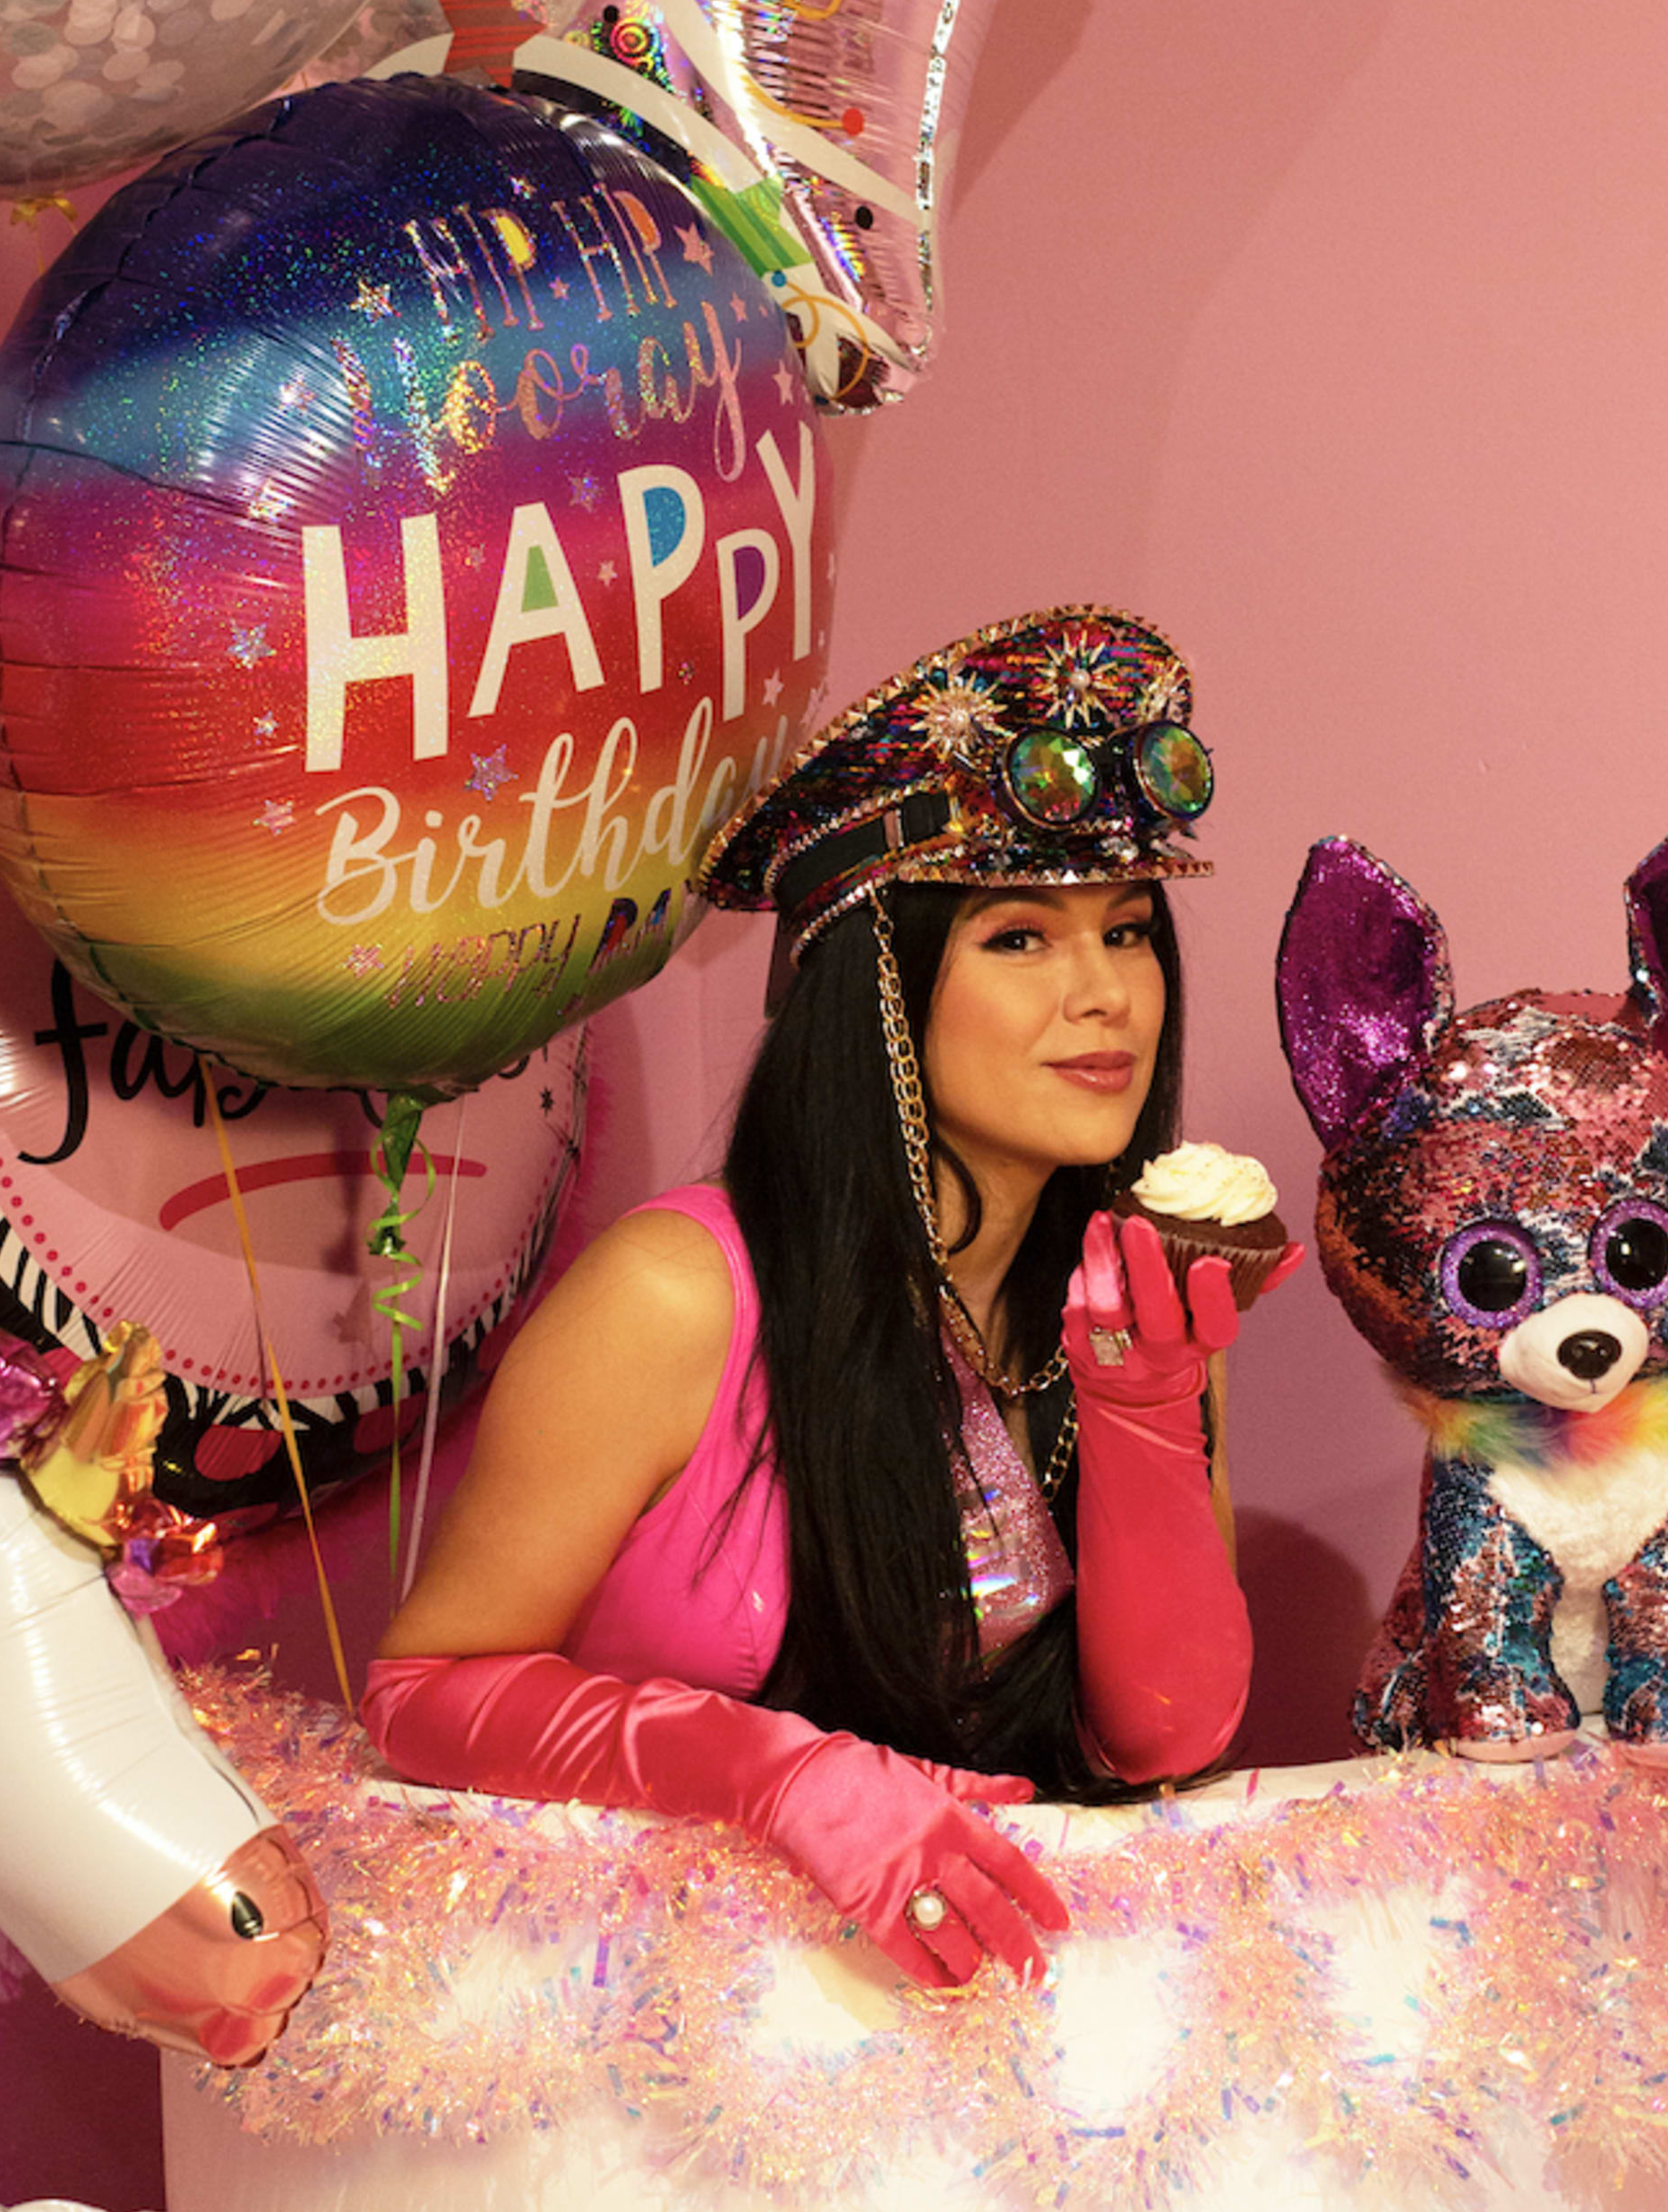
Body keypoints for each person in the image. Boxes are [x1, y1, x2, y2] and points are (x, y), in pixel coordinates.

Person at [362, 606, 1274, 1989]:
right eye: (1021, 938)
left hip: (990, 2049)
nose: (1106, 996)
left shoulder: (1132, 1299)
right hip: (653, 2052)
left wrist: (1143, 1401)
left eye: (1131, 932)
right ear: (881, 996)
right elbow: (419, 1699)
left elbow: (1164, 1739)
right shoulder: (676, 1297)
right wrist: (772, 1777)